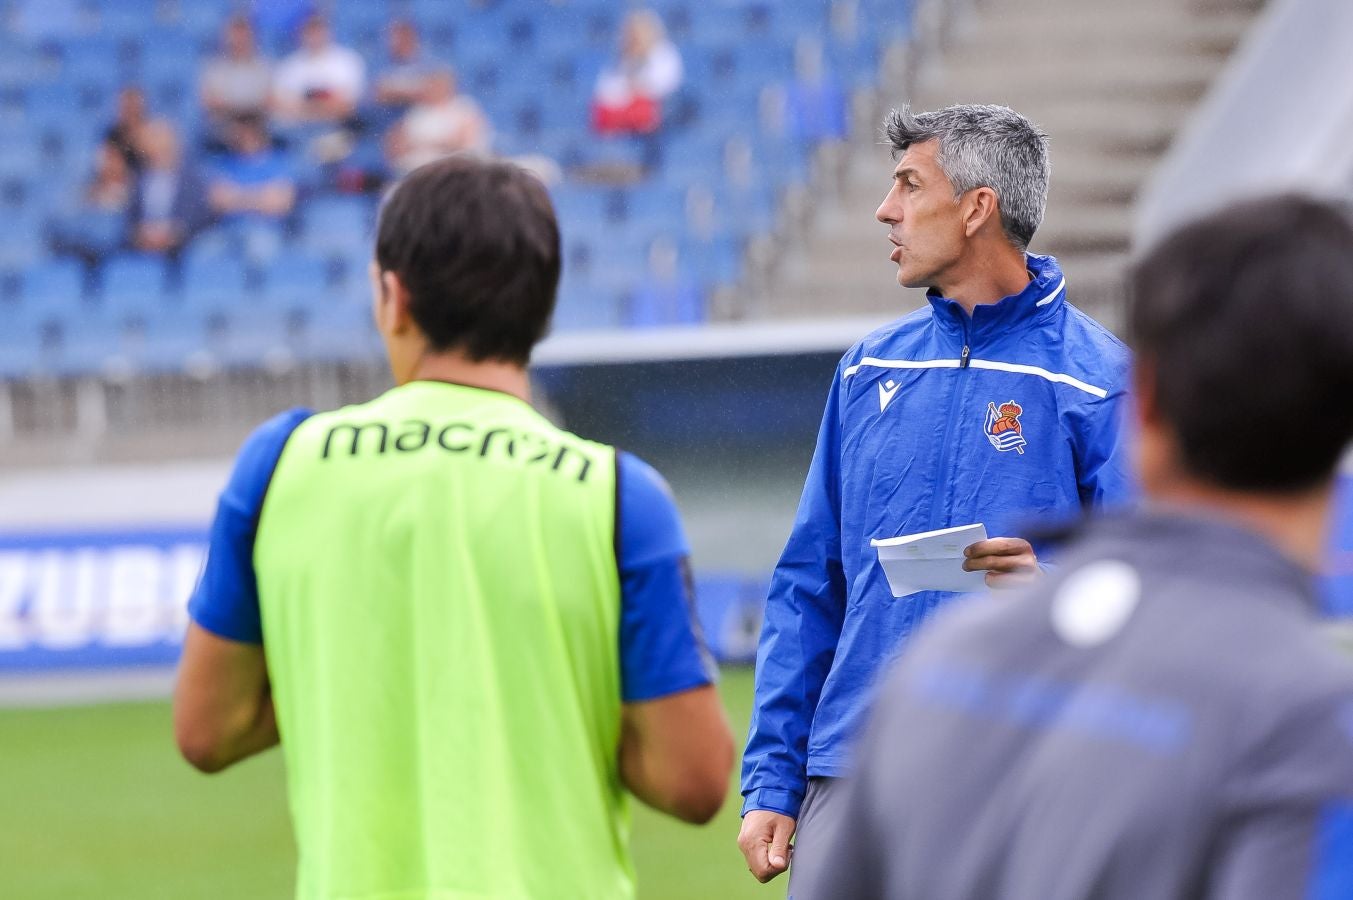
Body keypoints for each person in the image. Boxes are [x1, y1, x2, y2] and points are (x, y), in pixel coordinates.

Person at [173, 156, 734, 899]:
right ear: (540, 305)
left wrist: (360, 672)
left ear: (393, 297)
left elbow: (208, 729)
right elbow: (693, 780)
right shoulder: (614, 494)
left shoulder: (280, 466)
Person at [795, 193, 1353, 899]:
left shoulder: (937, 671)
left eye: (907, 184)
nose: (884, 210)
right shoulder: (1312, 728)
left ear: (1140, 404)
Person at [737, 104, 1134, 889]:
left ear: (976, 207)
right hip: (853, 775)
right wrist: (772, 782)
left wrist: (1051, 590)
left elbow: (1156, 598)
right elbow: (809, 584)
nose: (886, 210)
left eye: (908, 187)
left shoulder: (1101, 381)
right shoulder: (865, 370)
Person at [205, 114, 295, 264]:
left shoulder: (278, 163)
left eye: (246, 133)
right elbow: (218, 202)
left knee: (257, 250)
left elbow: (280, 204)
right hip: (227, 230)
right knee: (202, 254)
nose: (241, 138)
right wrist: (260, 197)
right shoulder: (223, 163)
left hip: (265, 230)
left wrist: (237, 197)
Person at [591, 10, 683, 135]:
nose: (635, 38)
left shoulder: (664, 54)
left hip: (656, 120)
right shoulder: (619, 59)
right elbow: (605, 94)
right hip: (623, 121)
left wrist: (639, 87)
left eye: (639, 33)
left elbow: (667, 85)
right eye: (631, 34)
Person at [384, 68, 491, 176]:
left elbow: (462, 144)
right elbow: (397, 147)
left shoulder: (463, 107)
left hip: (449, 171)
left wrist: (423, 144)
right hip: (413, 171)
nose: (434, 89)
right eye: (431, 85)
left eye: (438, 85)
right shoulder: (416, 112)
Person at [127, 120, 211, 257]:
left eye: (158, 139)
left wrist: (176, 231)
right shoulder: (139, 179)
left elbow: (200, 212)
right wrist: (140, 233)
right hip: (145, 244)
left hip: (185, 244)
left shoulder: (193, 179)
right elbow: (131, 216)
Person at [272, 14, 365, 126]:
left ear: (328, 32)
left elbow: (348, 106)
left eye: (318, 31)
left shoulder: (347, 61)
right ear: (301, 34)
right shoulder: (289, 65)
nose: (314, 36)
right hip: (296, 129)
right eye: (310, 32)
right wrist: (323, 105)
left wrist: (304, 106)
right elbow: (276, 103)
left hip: (337, 127)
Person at [199, 17, 273, 138]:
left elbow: (269, 101)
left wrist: (234, 102)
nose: (239, 41)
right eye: (235, 36)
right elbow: (212, 102)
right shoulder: (214, 68)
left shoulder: (264, 66)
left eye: (243, 36)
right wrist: (249, 102)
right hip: (226, 124)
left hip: (257, 122)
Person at [372, 19, 436, 117]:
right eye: (393, 38)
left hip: (421, 118)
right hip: (389, 119)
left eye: (401, 38)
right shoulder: (382, 63)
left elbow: (432, 93)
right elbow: (378, 95)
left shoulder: (428, 62)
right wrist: (411, 92)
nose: (396, 43)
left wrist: (396, 93)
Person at [104, 86, 150, 172]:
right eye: (127, 107)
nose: (131, 110)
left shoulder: (152, 133)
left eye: (134, 106)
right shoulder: (113, 134)